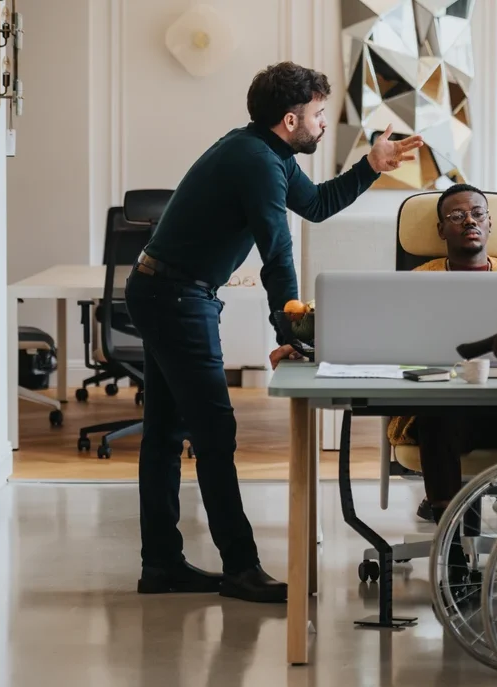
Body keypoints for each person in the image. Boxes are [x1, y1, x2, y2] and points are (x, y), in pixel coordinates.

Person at [125, 62, 422, 603]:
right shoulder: (256, 162)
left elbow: (315, 205)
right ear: (291, 119)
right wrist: (293, 331)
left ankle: (162, 565)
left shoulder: (267, 154)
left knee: (167, 434)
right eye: (317, 115)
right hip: (174, 297)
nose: (322, 124)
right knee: (213, 434)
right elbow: (277, 253)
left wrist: (372, 166)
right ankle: (239, 567)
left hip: (169, 292)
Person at [386, 184, 497, 522]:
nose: (470, 222)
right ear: (441, 230)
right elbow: (396, 345)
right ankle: (451, 541)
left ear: (490, 223)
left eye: (478, 214)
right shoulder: (416, 281)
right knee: (439, 410)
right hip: (444, 411)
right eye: (457, 216)